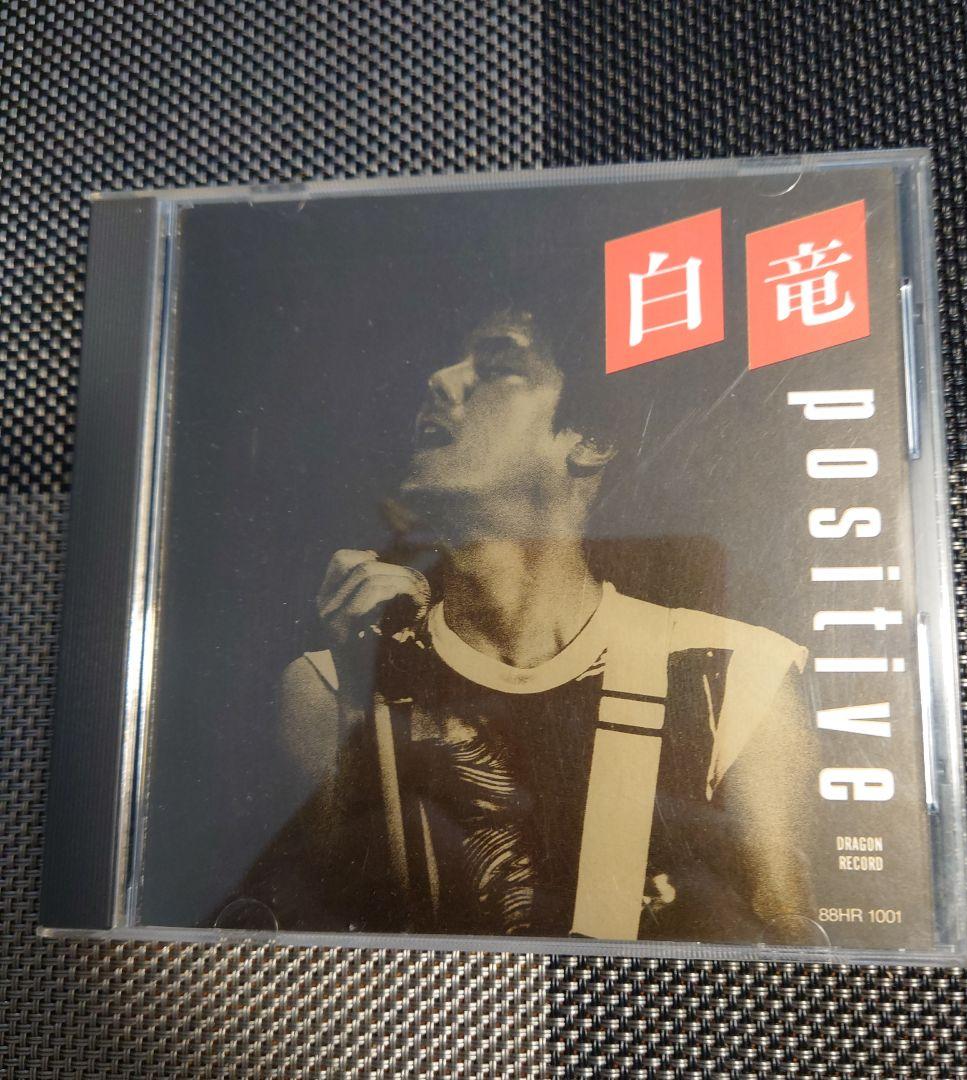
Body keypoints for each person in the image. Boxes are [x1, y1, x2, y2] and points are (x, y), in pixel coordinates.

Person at [226, 306, 818, 944]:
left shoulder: (734, 678)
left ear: (589, 440)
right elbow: (325, 943)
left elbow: (785, 955)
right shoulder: (328, 683)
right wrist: (358, 702)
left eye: (497, 364)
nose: (439, 379)